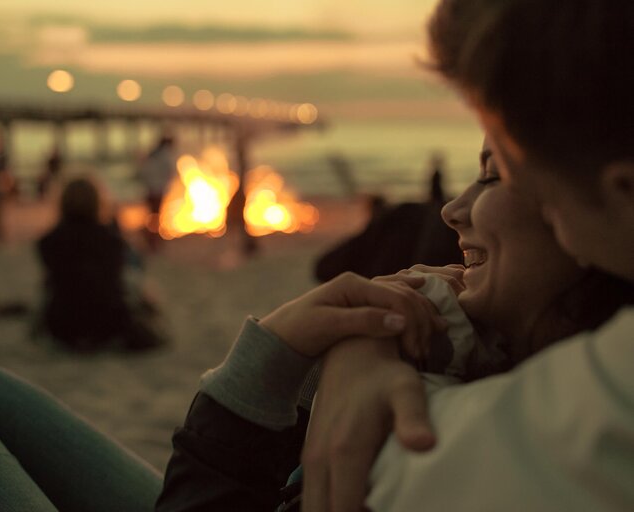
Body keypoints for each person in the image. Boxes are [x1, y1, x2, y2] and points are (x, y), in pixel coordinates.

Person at [154, 139, 634, 511]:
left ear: (611, 202)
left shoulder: (426, 435)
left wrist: (267, 369)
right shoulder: (517, 373)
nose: (450, 210)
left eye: (492, 174)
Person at [300, 1, 634, 510]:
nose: (452, 210)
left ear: (624, 194)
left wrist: (373, 338)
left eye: (501, 171)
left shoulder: (594, 407)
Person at [36, 176, 166, 352]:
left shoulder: (47, 242)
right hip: (107, 324)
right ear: (98, 202)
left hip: (62, 327)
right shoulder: (112, 241)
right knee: (133, 269)